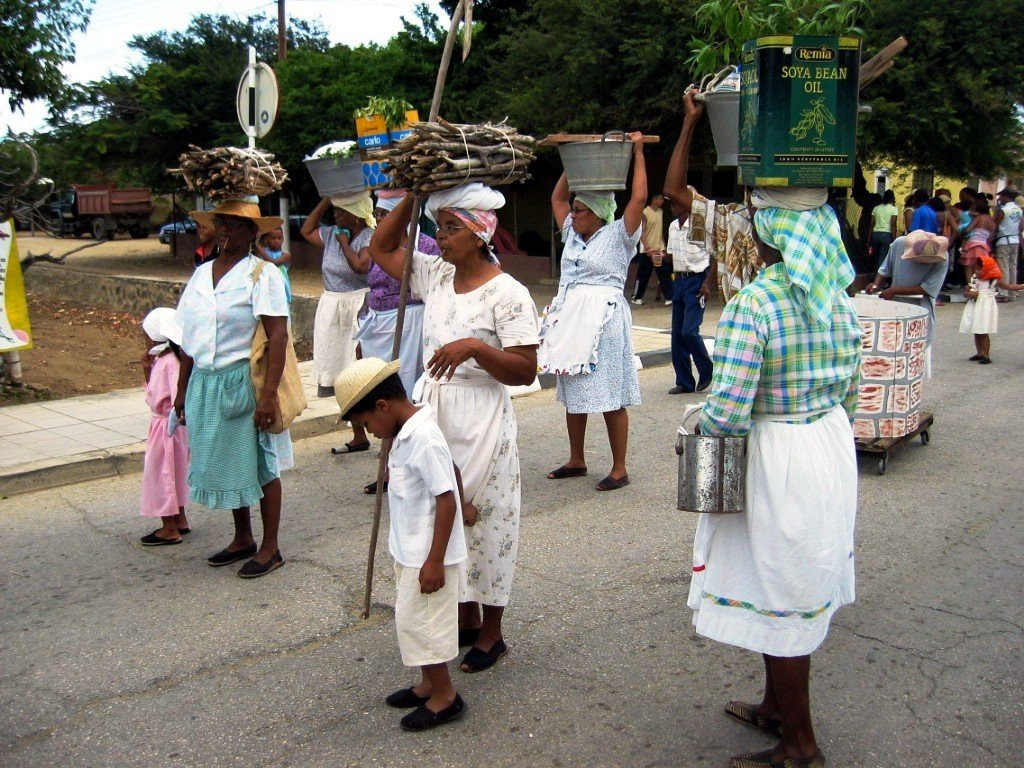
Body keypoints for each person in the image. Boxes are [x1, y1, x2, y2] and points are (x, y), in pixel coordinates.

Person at [691, 187, 861, 768]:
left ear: (766, 236)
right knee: (782, 584)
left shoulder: (754, 304)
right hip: (826, 444)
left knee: (780, 588)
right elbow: (852, 388)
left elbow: (729, 408)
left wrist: (702, 442)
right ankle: (774, 707)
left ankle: (800, 745)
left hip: (776, 455)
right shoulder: (837, 298)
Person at [369, 182, 540, 673]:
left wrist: (476, 349)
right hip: (435, 413)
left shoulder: (508, 293)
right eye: (438, 226)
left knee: (483, 518)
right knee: (438, 515)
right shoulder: (434, 275)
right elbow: (381, 247)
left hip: (482, 416)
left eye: (450, 228)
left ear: (479, 233)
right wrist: (413, 199)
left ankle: (492, 629)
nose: (439, 237)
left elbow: (526, 369)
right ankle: (461, 616)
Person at [336, 358, 470, 731]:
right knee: (413, 622)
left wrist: (435, 561)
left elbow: (445, 497)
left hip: (428, 555)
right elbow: (453, 470)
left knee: (425, 626)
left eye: (366, 425)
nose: (371, 433)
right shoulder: (404, 433)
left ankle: (446, 696)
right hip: (410, 549)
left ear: (383, 406)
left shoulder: (421, 437)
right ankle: (428, 683)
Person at [175, 197, 292, 579]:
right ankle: (243, 537)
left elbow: (277, 335)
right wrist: (181, 391)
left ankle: (270, 546)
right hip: (205, 382)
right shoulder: (202, 273)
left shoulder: (263, 274)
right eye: (221, 222)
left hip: (243, 380)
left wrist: (269, 394)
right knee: (226, 459)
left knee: (261, 463)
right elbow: (188, 336)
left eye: (235, 224)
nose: (225, 230)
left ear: (251, 232)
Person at [542, 132, 647, 492]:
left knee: (608, 391)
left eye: (580, 210)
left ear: (598, 213)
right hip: (572, 318)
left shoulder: (620, 234)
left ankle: (620, 468)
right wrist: (573, 161)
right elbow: (557, 196)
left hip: (605, 321)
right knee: (573, 387)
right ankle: (577, 459)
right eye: (573, 209)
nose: (573, 214)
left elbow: (639, 197)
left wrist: (637, 151)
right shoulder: (572, 232)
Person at [353, 191, 439, 495]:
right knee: (381, 397)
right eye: (377, 214)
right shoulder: (375, 246)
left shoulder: (426, 247)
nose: (379, 219)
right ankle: (388, 470)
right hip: (379, 326)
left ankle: (406, 470)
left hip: (411, 326)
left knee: (402, 396)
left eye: (384, 214)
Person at [661, 94, 717, 395]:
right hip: (679, 280)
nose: (673, 204)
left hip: (697, 280)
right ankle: (684, 381)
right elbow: (673, 256)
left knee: (689, 332)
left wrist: (708, 282)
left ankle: (706, 369)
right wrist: (661, 258)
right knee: (676, 336)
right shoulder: (672, 225)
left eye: (677, 201)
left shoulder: (705, 218)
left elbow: (717, 254)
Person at [300, 193, 373, 401]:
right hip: (332, 307)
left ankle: (362, 421)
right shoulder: (332, 233)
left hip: (358, 307)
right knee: (336, 365)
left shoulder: (370, 236)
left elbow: (360, 265)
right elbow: (306, 230)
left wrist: (344, 243)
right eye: (335, 210)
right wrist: (326, 199)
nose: (336, 214)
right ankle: (355, 429)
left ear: (356, 215)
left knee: (357, 365)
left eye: (342, 211)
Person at [138, 307, 190, 546]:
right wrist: (147, 371)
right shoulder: (164, 360)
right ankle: (180, 518)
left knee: (162, 473)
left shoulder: (170, 362)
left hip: (166, 427)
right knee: (175, 471)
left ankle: (169, 527)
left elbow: (172, 394)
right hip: (172, 427)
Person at [866, 231, 948, 377]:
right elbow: (885, 269)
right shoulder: (899, 244)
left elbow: (927, 289)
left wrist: (894, 290)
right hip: (894, 308)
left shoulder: (943, 258)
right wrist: (876, 285)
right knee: (889, 352)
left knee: (913, 357)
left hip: (920, 309)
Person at [959, 252, 1024, 363]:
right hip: (975, 305)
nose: (976, 271)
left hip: (985, 307)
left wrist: (1021, 286)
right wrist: (970, 294)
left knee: (983, 330)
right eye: (975, 269)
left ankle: (986, 355)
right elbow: (966, 292)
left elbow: (1009, 286)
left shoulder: (993, 281)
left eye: (979, 269)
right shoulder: (974, 280)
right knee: (976, 330)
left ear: (987, 268)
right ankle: (979, 353)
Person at [632, 193, 672, 306]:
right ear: (654, 199)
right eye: (660, 199)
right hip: (647, 251)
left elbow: (659, 231)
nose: (662, 201)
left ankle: (669, 297)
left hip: (658, 249)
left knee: (664, 273)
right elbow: (642, 232)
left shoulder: (661, 212)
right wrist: (647, 248)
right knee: (643, 275)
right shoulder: (645, 212)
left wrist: (663, 246)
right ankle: (636, 296)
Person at [993, 188, 1022, 301]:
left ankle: (1003, 292)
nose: (1000, 199)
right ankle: (1012, 291)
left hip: (1003, 240)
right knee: (1013, 267)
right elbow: (1021, 226)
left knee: (1003, 267)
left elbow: (995, 225)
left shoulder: (1003, 210)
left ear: (1006, 196)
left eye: (1001, 196)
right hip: (1015, 240)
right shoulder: (1018, 209)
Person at [961, 198, 996, 285]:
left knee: (968, 267)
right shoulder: (992, 222)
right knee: (979, 268)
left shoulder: (979, 218)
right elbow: (990, 238)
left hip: (972, 244)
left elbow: (968, 230)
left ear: (978, 211)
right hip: (984, 246)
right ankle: (979, 287)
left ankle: (971, 287)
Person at [255, 225, 292, 303]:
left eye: (279, 238)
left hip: (280, 287)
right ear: (266, 239)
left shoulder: (285, 255)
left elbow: (273, 264)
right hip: (266, 286)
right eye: (273, 238)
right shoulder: (263, 251)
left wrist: (259, 248)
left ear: (283, 239)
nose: (277, 241)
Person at [870, 190, 898, 264]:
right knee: (883, 257)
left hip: (875, 234)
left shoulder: (876, 208)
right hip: (887, 235)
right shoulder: (894, 209)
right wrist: (894, 237)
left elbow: (871, 223)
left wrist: (869, 237)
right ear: (892, 198)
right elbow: (893, 224)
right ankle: (879, 274)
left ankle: (875, 273)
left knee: (875, 256)